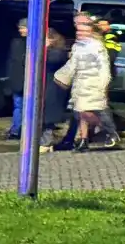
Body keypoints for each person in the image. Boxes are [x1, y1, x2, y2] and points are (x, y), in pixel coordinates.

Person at [53, 18, 113, 152]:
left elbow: (104, 66)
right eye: (78, 30)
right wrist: (61, 76)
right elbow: (72, 65)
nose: (79, 33)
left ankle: (106, 130)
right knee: (79, 113)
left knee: (85, 112)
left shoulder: (97, 46)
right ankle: (83, 140)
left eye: (83, 30)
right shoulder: (77, 46)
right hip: (80, 83)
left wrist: (103, 83)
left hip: (93, 83)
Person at [37, 28, 70, 153]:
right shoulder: (49, 52)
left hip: (52, 89)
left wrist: (43, 49)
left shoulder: (57, 53)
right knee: (42, 117)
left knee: (47, 118)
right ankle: (45, 141)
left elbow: (46, 61)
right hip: (44, 87)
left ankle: (47, 142)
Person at [4, 18, 28, 140]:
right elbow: (11, 62)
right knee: (18, 105)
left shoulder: (33, 43)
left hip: (28, 79)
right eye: (20, 28)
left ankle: (22, 129)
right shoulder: (16, 42)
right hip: (18, 79)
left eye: (23, 27)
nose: (21, 30)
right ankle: (16, 129)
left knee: (24, 106)